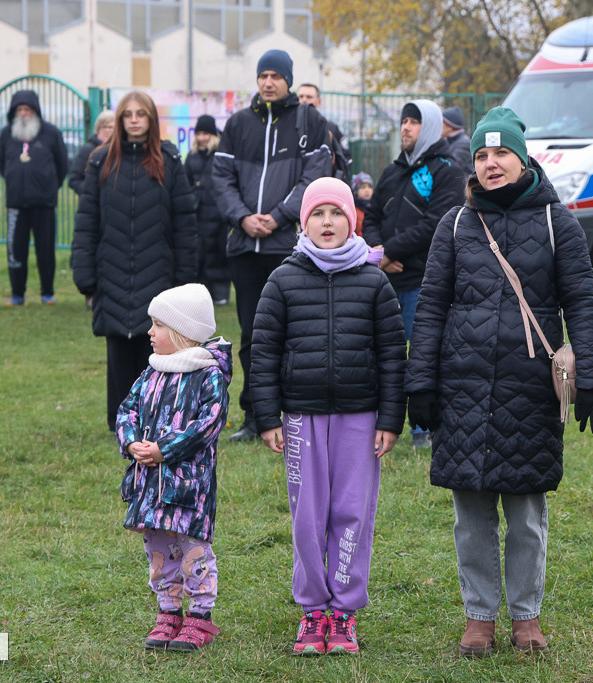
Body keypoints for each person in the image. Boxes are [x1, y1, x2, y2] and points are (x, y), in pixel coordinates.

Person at [406, 106, 593, 658]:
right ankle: (479, 617)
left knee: (525, 514)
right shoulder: (455, 224)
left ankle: (525, 617)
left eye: (501, 154)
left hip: (529, 390)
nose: (491, 164)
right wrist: (420, 381)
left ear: (523, 160)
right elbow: (430, 308)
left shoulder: (557, 222)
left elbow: (582, 305)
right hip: (463, 389)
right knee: (471, 514)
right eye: (481, 155)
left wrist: (590, 376)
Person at [251, 177, 406, 655]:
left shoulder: (374, 280)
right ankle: (313, 611)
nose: (327, 222)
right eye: (317, 213)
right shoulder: (283, 279)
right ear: (304, 221)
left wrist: (390, 418)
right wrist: (267, 416)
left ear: (351, 219)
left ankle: (343, 613)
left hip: (360, 418)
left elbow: (392, 355)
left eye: (336, 213)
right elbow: (262, 353)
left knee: (352, 513)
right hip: (302, 418)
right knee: (308, 516)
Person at [212, 48, 332, 443]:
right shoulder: (238, 123)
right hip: (245, 250)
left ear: (288, 80)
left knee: (295, 335)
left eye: (275, 76)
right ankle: (254, 415)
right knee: (252, 335)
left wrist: (279, 217)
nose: (268, 82)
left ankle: (296, 413)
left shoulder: (310, 121)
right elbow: (222, 178)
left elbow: (315, 177)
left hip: (290, 249)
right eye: (262, 75)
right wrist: (243, 218)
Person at [72, 90, 198, 431]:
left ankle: (157, 417)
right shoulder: (100, 161)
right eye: (127, 114)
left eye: (141, 114)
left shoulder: (169, 161)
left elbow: (185, 221)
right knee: (119, 346)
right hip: (111, 270)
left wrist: (185, 277)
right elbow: (87, 221)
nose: (134, 120)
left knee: (156, 347)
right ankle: (120, 421)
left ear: (151, 119)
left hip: (158, 270)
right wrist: (84, 273)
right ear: (119, 120)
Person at [116, 283, 231, 653]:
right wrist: (132, 441)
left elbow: (208, 423)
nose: (150, 332)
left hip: (188, 487)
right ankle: (169, 610)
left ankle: (200, 615)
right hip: (149, 486)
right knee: (160, 551)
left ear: (183, 333)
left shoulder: (207, 374)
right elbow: (126, 410)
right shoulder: (151, 373)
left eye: (158, 325)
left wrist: (166, 449)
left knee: (193, 551)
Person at [362, 99, 466, 448]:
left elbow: (436, 222)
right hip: (384, 281)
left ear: (432, 127)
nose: (406, 127)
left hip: (424, 281)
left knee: (423, 354)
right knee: (387, 355)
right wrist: (378, 255)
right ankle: (384, 422)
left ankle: (423, 428)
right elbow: (371, 216)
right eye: (404, 121)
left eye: (414, 122)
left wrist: (389, 252)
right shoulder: (392, 172)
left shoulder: (447, 169)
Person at [0, 89, 68, 306]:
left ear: (35, 111)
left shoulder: (50, 133)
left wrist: (47, 186)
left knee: (45, 249)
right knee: (16, 250)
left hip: (44, 203)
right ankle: (17, 294)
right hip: (16, 203)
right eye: (19, 109)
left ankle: (47, 293)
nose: (23, 113)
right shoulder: (7, 134)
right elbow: (2, 164)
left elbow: (62, 165)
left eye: (27, 109)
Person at [185, 114, 230, 305]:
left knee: (218, 253)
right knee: (200, 255)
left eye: (206, 133)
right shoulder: (192, 157)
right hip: (197, 213)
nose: (202, 138)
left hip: (218, 215)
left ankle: (220, 293)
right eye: (199, 133)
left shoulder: (221, 156)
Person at [297, 83, 352, 183]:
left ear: (319, 101)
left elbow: (345, 159)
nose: (304, 100)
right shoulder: (289, 127)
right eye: (300, 96)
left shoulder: (330, 128)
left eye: (309, 97)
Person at [68, 110, 115, 195]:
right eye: (104, 127)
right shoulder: (87, 150)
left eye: (111, 127)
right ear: (97, 129)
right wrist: (89, 192)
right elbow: (74, 179)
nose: (107, 130)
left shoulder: (119, 150)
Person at [442, 107, 474, 175]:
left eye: (441, 123)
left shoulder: (464, 143)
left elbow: (451, 166)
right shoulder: (448, 141)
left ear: (449, 127)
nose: (438, 127)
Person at [350, 172, 373, 236]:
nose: (367, 190)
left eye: (370, 187)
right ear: (355, 191)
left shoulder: (375, 208)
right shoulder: (353, 211)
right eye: (363, 187)